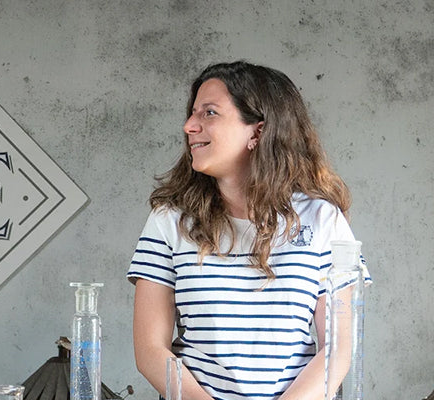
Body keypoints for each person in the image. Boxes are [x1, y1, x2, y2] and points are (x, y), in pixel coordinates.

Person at [128, 61, 366, 400]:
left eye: (209, 113)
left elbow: (337, 349)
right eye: (193, 114)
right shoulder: (169, 220)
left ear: (257, 131)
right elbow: (150, 350)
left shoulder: (324, 220)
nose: (189, 126)